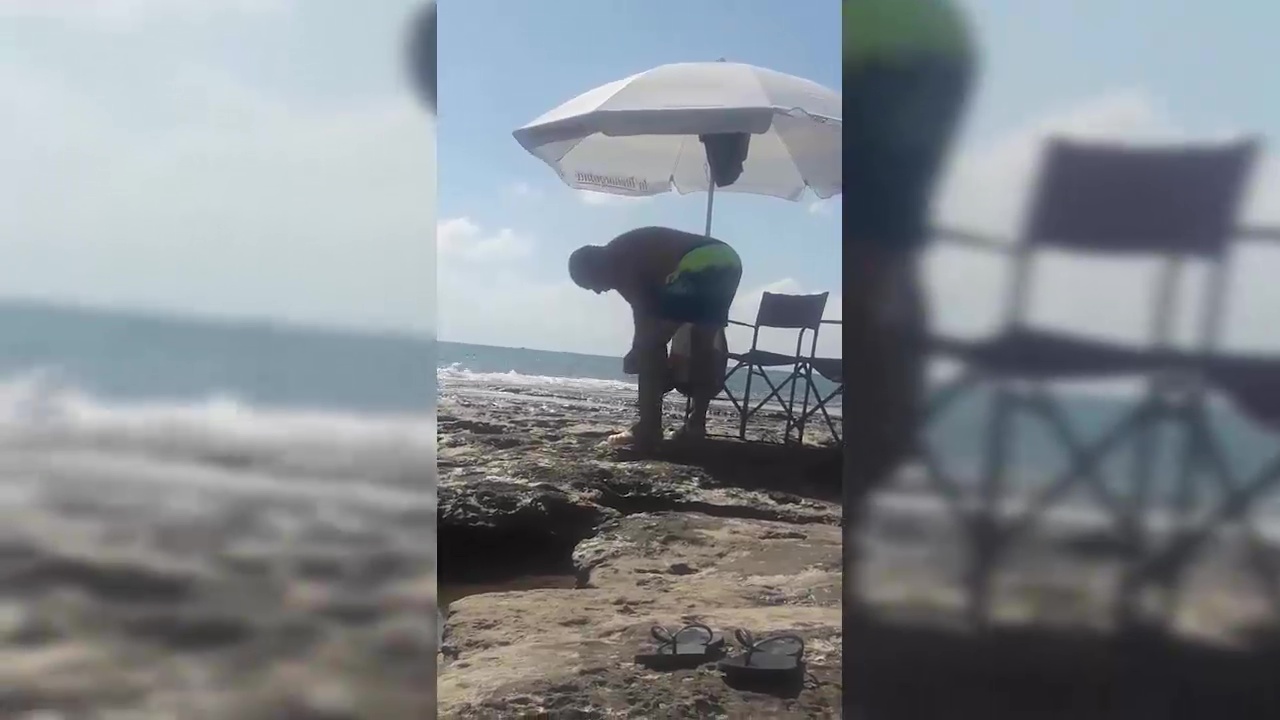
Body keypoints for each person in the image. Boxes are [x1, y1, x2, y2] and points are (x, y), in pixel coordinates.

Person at [842, 0, 977, 603]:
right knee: (882, 248)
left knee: (876, 249)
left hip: (891, 48)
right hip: (911, 45)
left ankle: (884, 446)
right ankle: (889, 438)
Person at [568, 226, 742, 448]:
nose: (597, 291)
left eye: (591, 284)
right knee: (703, 344)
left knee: (650, 346)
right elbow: (647, 312)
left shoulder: (619, 262)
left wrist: (639, 349)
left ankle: (648, 427)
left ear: (595, 267)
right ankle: (696, 425)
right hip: (728, 259)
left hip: (696, 262)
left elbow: (644, 316)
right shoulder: (625, 251)